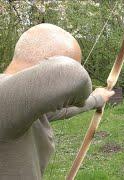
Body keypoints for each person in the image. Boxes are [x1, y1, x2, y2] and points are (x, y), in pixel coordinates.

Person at [0, 23, 114, 179]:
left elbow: (62, 110)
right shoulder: (4, 99)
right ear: (47, 66)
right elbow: (75, 75)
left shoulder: (21, 107)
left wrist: (97, 99)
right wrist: (81, 95)